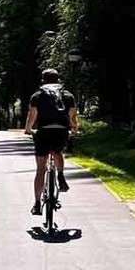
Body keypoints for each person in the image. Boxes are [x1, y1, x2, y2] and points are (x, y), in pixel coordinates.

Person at [24, 69, 79, 215]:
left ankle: (37, 204)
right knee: (58, 151)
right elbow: (72, 116)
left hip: (43, 131)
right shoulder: (67, 95)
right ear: (58, 79)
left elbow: (32, 115)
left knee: (40, 169)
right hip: (61, 131)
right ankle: (60, 175)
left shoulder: (37, 95)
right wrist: (73, 129)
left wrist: (29, 129)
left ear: (43, 80)